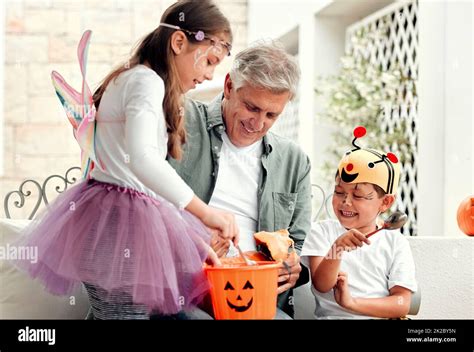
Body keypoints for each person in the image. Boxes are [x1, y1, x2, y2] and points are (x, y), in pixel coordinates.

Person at [15, 0, 239, 320]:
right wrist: (206, 214)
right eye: (209, 62)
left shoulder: (137, 79)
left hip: (113, 220)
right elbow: (143, 161)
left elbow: (141, 179)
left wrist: (190, 237)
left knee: (115, 314)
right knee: (122, 315)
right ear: (179, 42)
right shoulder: (145, 82)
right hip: (115, 225)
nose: (209, 75)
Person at [168, 42, 312, 318]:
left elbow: (297, 244)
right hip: (182, 290)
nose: (258, 124)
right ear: (229, 87)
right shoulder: (180, 121)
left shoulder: (294, 161)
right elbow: (138, 204)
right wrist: (191, 234)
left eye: (272, 115)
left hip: (254, 295)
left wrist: (295, 267)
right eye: (251, 108)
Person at [301, 126, 417, 319]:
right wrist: (337, 248)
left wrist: (352, 303)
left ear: (386, 202)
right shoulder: (322, 232)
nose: (346, 201)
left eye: (358, 195)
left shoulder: (395, 242)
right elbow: (321, 285)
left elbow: (401, 304)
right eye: (339, 192)